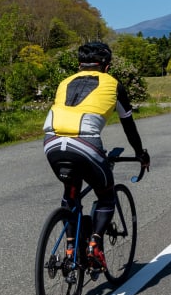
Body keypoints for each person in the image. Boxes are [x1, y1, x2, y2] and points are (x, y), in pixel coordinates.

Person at [43, 41, 150, 270]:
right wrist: (141, 154)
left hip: (51, 143)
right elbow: (129, 126)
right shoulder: (113, 84)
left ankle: (71, 246)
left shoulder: (65, 82)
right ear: (107, 66)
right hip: (85, 145)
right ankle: (95, 244)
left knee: (71, 193)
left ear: (80, 64)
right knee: (106, 196)